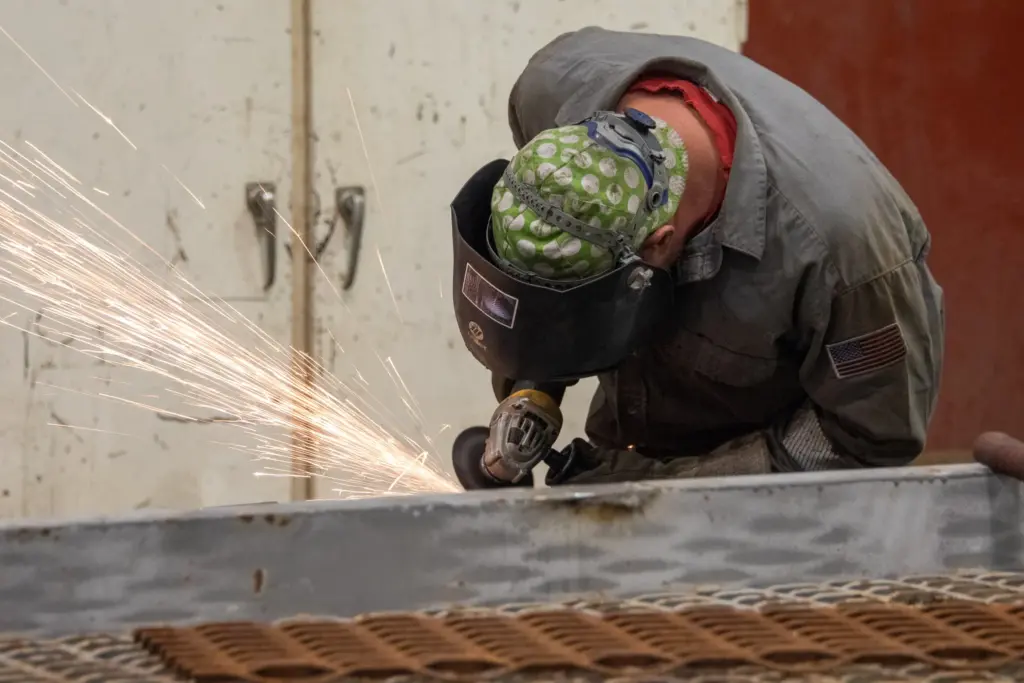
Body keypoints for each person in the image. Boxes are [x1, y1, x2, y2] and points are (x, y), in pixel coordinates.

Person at [449, 27, 945, 485]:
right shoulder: (552, 91)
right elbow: (561, 251)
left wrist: (664, 490)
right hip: (635, 424)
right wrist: (533, 388)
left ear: (659, 243)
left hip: (771, 503)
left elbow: (866, 439)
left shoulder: (843, 255)